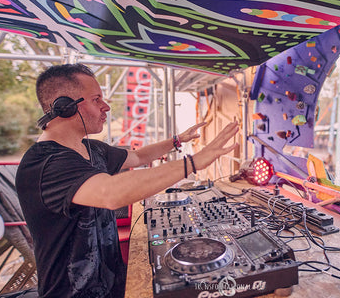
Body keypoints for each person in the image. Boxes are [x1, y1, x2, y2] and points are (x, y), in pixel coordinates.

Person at [15, 64, 239, 298]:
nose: (106, 107)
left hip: (115, 286)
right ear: (65, 107)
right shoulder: (45, 165)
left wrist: (176, 140)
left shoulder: (91, 149)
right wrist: (194, 161)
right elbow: (111, 194)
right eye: (96, 99)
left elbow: (138, 156)